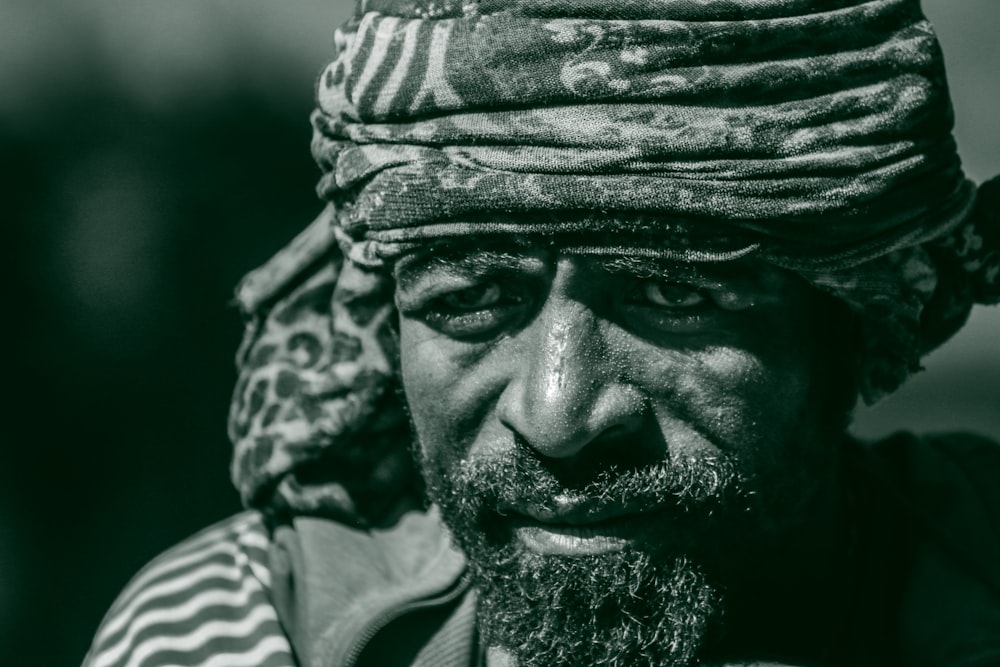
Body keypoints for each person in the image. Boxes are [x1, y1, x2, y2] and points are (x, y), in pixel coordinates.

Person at [84, 0, 1000, 665]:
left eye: (672, 294)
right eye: (471, 299)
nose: (557, 415)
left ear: (863, 316)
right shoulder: (237, 630)